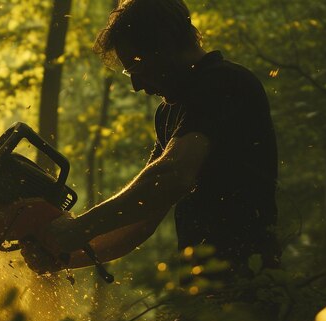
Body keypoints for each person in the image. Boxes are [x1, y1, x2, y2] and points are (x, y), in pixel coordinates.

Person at [20, 0, 281, 282]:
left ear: (165, 45)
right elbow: (141, 217)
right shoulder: (170, 111)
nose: (136, 85)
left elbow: (173, 175)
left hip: (250, 281)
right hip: (203, 286)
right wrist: (64, 255)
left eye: (137, 66)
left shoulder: (225, 83)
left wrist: (81, 228)